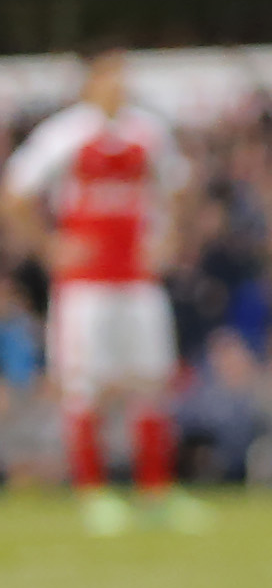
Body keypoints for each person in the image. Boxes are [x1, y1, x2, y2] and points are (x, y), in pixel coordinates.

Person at [4, 47, 199, 532]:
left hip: (137, 279)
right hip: (85, 285)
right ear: (91, 82)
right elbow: (15, 192)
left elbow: (177, 185)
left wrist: (169, 235)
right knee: (84, 385)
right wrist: (50, 247)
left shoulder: (146, 133)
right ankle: (94, 493)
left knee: (151, 381)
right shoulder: (66, 134)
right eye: (110, 75)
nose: (119, 84)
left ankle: (156, 491)